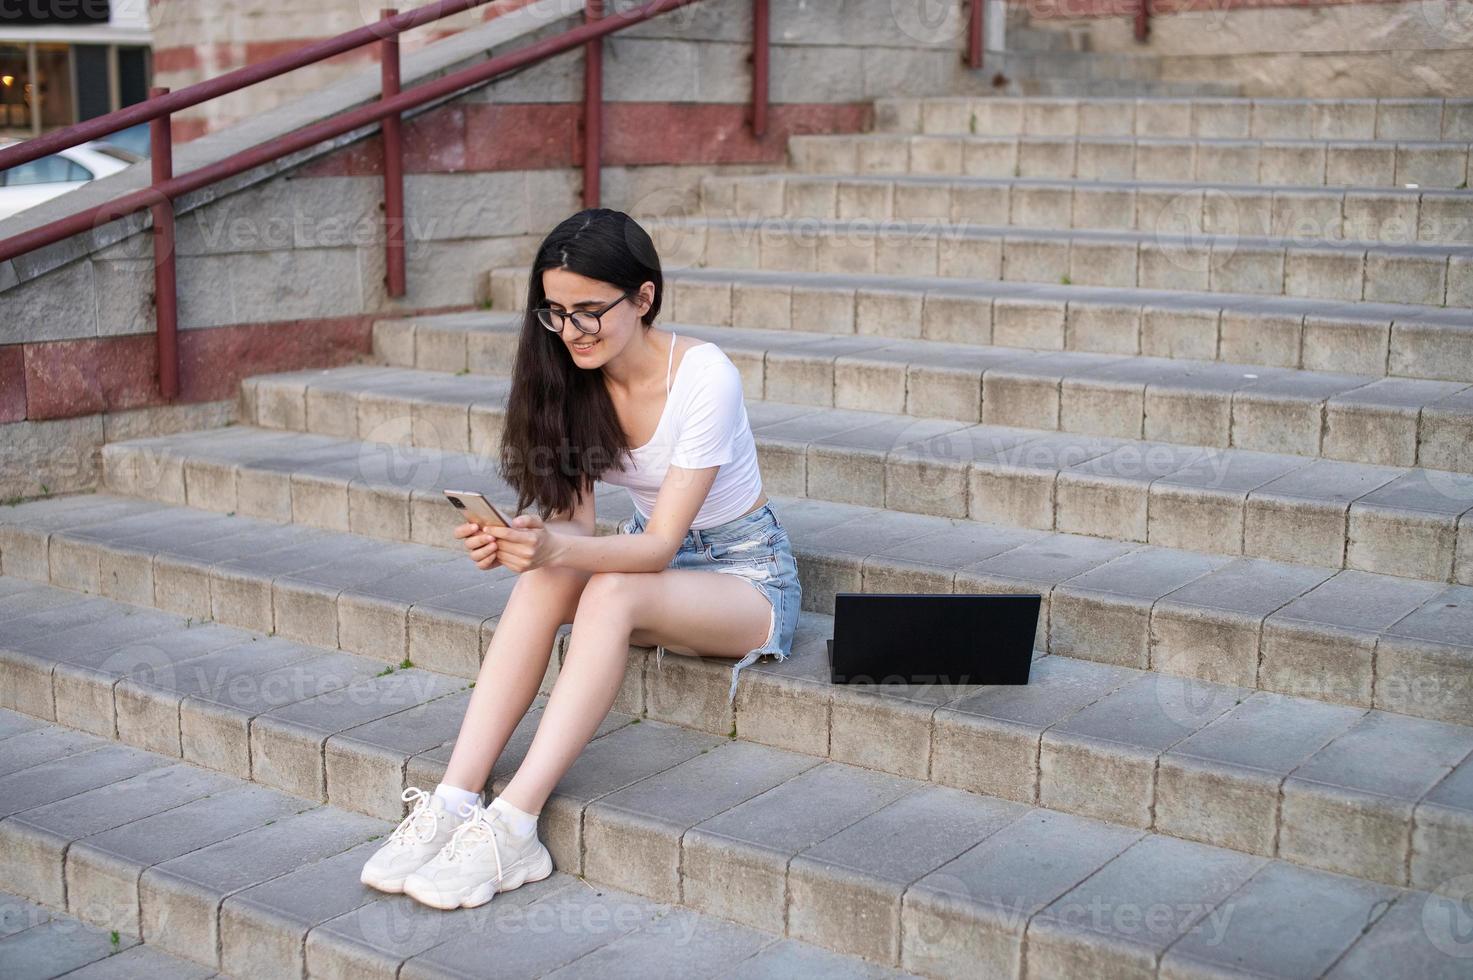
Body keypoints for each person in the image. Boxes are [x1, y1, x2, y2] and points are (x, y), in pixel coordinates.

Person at [359, 207, 802, 909]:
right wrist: (522, 543)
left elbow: (657, 547)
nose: (570, 332)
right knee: (553, 575)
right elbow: (574, 524)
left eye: (589, 311)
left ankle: (514, 824)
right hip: (649, 562)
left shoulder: (703, 376)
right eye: (555, 313)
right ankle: (452, 799)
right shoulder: (569, 375)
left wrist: (558, 548)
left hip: (742, 576)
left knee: (607, 590)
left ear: (644, 298)